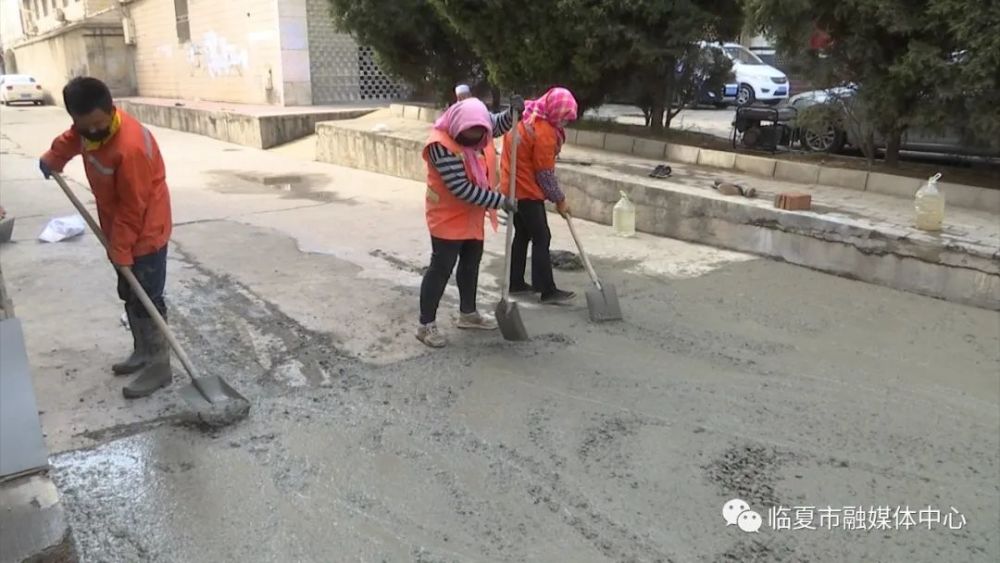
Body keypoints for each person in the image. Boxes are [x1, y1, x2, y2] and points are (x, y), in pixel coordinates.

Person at [38, 77, 173, 399]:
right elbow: (73, 139)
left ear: (111, 110)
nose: (94, 131)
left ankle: (159, 366)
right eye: (87, 126)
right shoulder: (86, 131)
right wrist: (53, 158)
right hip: (117, 228)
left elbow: (133, 207)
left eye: (99, 124)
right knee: (129, 292)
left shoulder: (131, 146)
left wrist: (123, 248)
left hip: (145, 231)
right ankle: (142, 352)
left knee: (147, 298)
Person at [417, 95, 524, 348]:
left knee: (470, 264)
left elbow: (496, 124)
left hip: (472, 218)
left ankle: (468, 314)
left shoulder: (479, 128)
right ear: (458, 129)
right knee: (441, 268)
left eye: (480, 136)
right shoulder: (440, 145)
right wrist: (500, 201)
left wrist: (513, 112)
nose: (477, 142)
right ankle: (425, 324)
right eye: (470, 137)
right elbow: (461, 188)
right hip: (446, 217)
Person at [500, 86, 579, 304]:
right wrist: (560, 200)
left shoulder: (525, 117)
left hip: (511, 187)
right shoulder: (544, 131)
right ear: (554, 111)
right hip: (526, 191)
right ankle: (546, 289)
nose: (564, 123)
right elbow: (545, 174)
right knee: (542, 237)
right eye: (564, 118)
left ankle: (515, 282)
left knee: (523, 234)